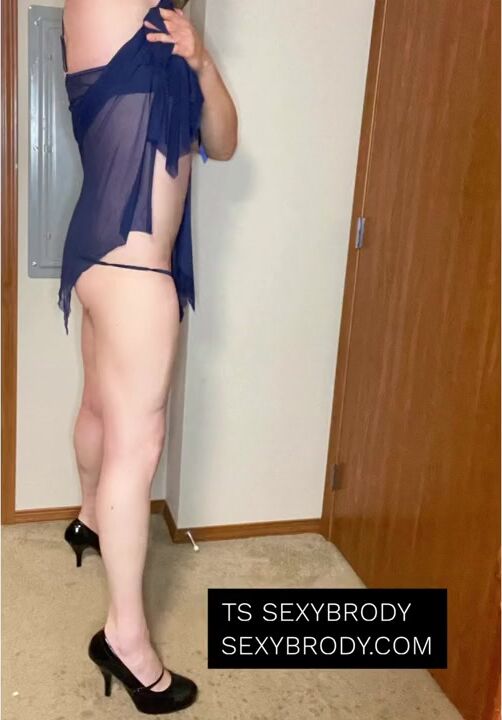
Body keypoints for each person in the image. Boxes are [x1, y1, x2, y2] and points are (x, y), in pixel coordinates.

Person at [59, 0, 238, 713]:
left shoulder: (170, 36)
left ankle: (88, 519)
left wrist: (202, 60)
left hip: (100, 256)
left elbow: (224, 142)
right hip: (134, 272)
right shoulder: (121, 13)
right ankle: (125, 639)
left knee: (100, 408)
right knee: (138, 450)